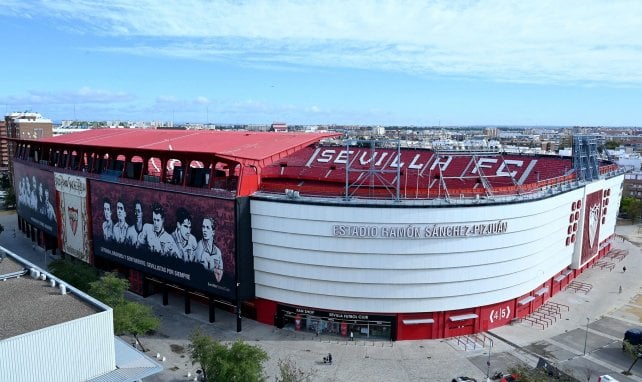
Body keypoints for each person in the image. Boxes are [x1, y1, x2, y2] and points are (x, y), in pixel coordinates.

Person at [196, 216, 224, 282]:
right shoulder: (199, 246)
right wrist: (214, 270)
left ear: (213, 232)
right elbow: (197, 271)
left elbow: (219, 279)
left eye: (207, 227)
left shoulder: (218, 252)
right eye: (203, 227)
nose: (204, 230)